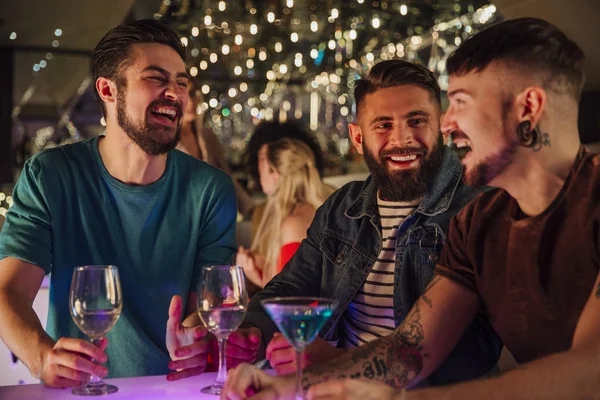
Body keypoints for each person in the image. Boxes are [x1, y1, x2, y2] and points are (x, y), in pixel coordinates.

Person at [221, 17, 600, 400]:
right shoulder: (481, 221)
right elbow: (411, 349)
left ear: (529, 107)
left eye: (460, 103)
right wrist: (290, 386)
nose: (447, 124)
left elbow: (590, 369)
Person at [0, 19, 245, 387]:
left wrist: (194, 338)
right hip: (80, 392)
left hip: (175, 390)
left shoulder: (210, 189)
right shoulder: (50, 175)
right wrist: (41, 357)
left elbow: (201, 308)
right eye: (156, 78)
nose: (174, 93)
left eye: (181, 82)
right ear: (108, 90)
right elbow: (9, 292)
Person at [231, 60, 502, 382]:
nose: (402, 139)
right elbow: (290, 287)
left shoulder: (479, 207)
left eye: (416, 120)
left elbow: (478, 350)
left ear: (441, 127)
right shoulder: (342, 207)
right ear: (358, 138)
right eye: (383, 125)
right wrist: (248, 335)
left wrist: (340, 362)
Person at [237, 138, 333, 288]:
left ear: (275, 173)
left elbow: (293, 300)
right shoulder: (318, 209)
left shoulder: (293, 224)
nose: (258, 170)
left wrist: (253, 275)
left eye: (262, 160)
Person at [177, 86, 254, 216]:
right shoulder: (165, 139)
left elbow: (225, 174)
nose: (191, 101)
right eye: (183, 93)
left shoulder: (206, 135)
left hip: (211, 216)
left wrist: (250, 209)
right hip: (180, 217)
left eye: (193, 93)